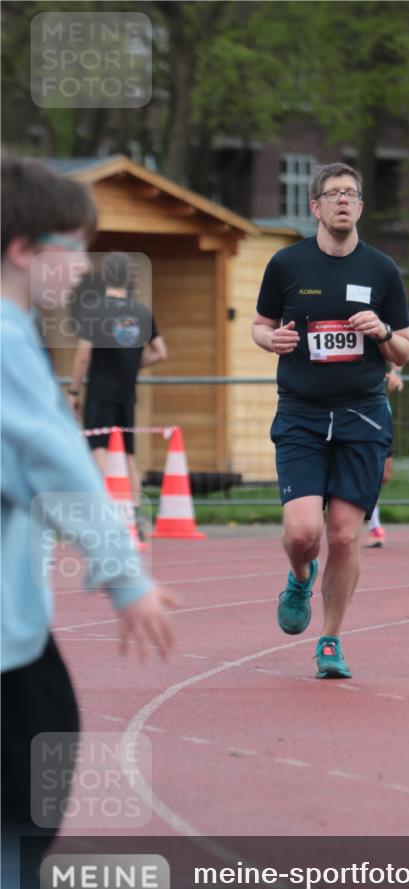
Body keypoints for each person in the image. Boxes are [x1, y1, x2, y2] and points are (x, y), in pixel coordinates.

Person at [1, 156, 176, 849]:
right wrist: (125, 577)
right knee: (36, 771)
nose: (82, 267)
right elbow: (59, 465)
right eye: (75, 248)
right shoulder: (9, 339)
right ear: (24, 250)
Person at [252, 162, 409, 678]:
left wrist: (384, 331)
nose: (343, 200)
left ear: (360, 207)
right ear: (315, 206)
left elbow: (406, 351)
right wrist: (269, 339)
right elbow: (259, 325)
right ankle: (300, 577)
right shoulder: (286, 264)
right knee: (304, 533)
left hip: (362, 417)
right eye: (332, 193)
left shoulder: (383, 270)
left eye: (352, 193)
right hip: (301, 413)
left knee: (344, 535)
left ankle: (330, 640)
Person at [68, 251, 168, 529]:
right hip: (127, 394)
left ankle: (107, 508)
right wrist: (135, 365)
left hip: (99, 392)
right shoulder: (141, 312)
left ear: (104, 277)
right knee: (128, 455)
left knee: (98, 449)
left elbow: (83, 355)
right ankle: (134, 512)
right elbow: (161, 352)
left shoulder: (94, 309)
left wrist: (73, 392)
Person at [367, 363, 404, 548]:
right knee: (369, 473)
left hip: (381, 416)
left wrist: (396, 374)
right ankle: (375, 526)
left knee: (384, 475)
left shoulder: (378, 336)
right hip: (357, 417)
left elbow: (399, 353)